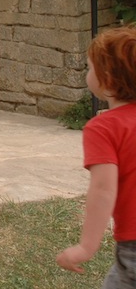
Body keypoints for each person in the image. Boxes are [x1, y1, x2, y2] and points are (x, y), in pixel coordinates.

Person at [57, 26, 136, 284]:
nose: (87, 74)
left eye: (89, 68)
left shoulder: (104, 128)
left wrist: (86, 247)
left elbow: (103, 189)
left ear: (108, 79)